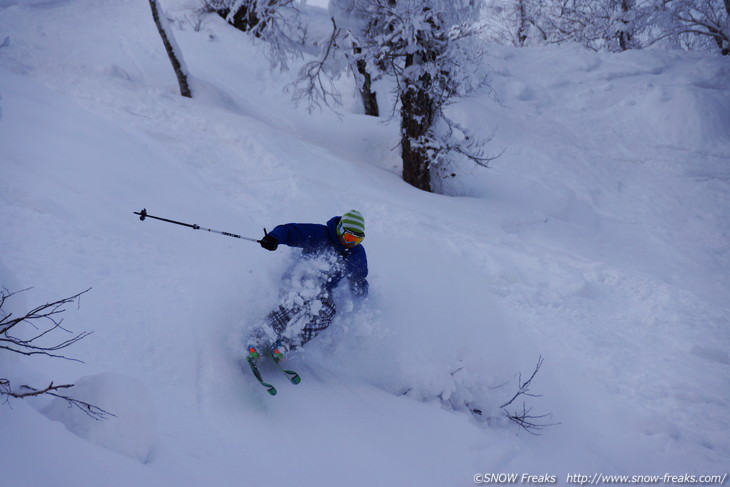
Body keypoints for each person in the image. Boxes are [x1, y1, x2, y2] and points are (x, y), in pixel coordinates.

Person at [245, 210, 369, 362]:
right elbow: (290, 231)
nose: (351, 243)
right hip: (296, 281)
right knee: (302, 299)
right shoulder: (320, 234)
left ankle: (288, 343)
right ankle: (259, 336)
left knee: (329, 311)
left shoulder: (356, 254)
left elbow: (359, 278)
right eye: (349, 237)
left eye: (356, 240)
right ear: (340, 230)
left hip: (322, 294)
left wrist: (361, 298)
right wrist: (274, 238)